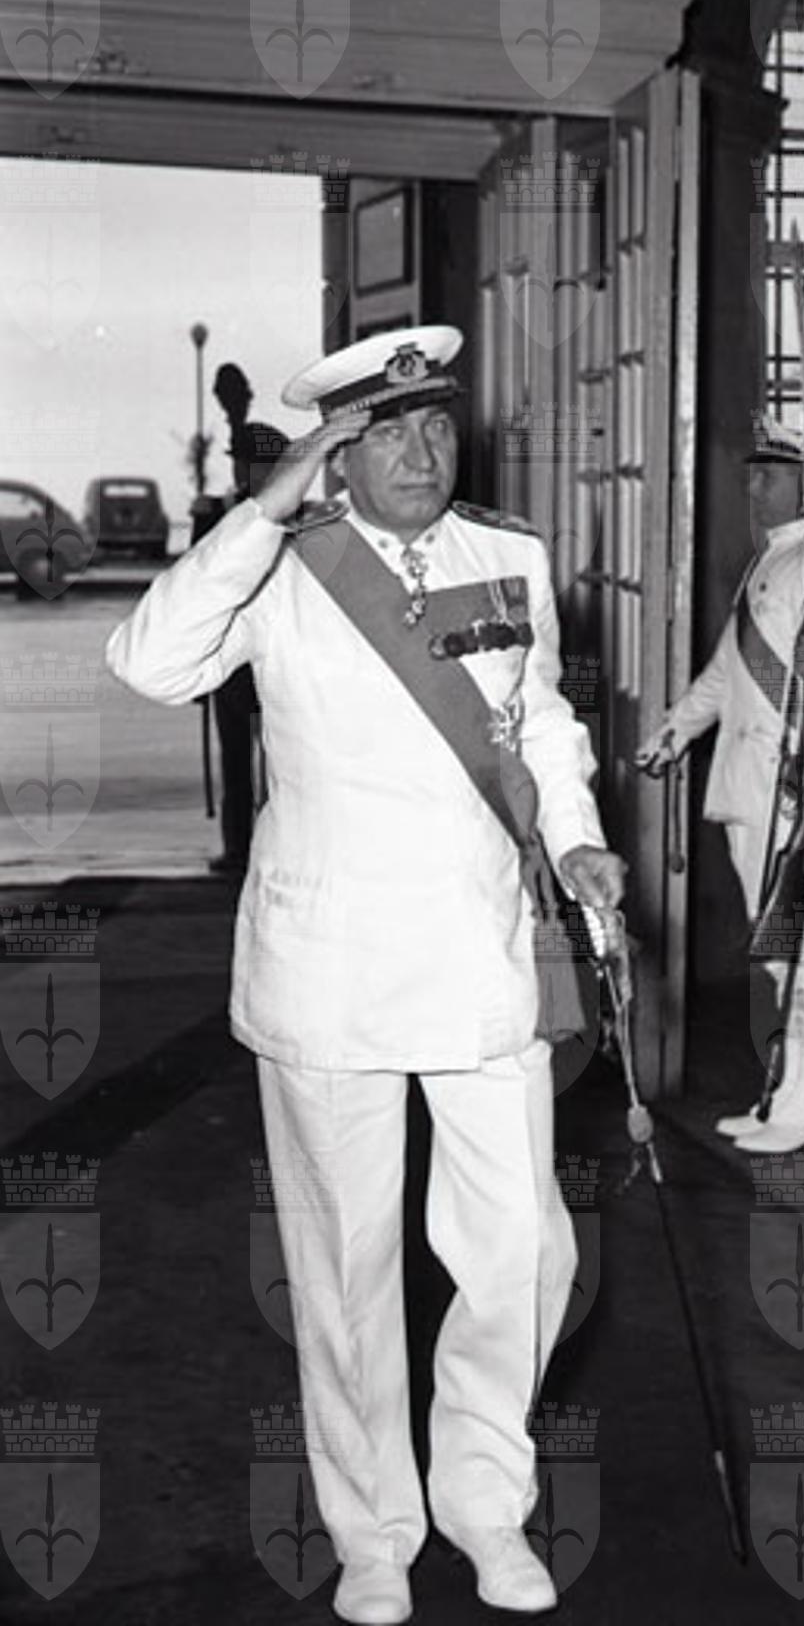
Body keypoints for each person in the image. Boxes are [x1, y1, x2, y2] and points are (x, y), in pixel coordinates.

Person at [107, 325, 625, 1626]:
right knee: (346, 1269)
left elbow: (539, 718)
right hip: (331, 963)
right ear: (335, 454)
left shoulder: (507, 557)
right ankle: (375, 1531)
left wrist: (577, 839)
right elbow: (149, 663)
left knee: (522, 1250)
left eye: (436, 424)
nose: (420, 451)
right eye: (385, 433)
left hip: (481, 949)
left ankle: (485, 1504)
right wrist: (262, 511)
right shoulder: (280, 562)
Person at [638, 417, 804, 1154]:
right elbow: (728, 671)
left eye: (768, 474)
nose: (752, 486)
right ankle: (790, 1092)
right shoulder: (771, 560)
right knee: (776, 950)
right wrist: (675, 730)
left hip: (792, 786)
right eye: (751, 473)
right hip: (750, 783)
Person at [193, 362, 289, 875]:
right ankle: (238, 849)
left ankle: (271, 848)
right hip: (232, 661)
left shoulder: (287, 518)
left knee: (280, 762)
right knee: (237, 761)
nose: (240, 472)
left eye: (249, 464)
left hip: (274, 657)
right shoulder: (220, 514)